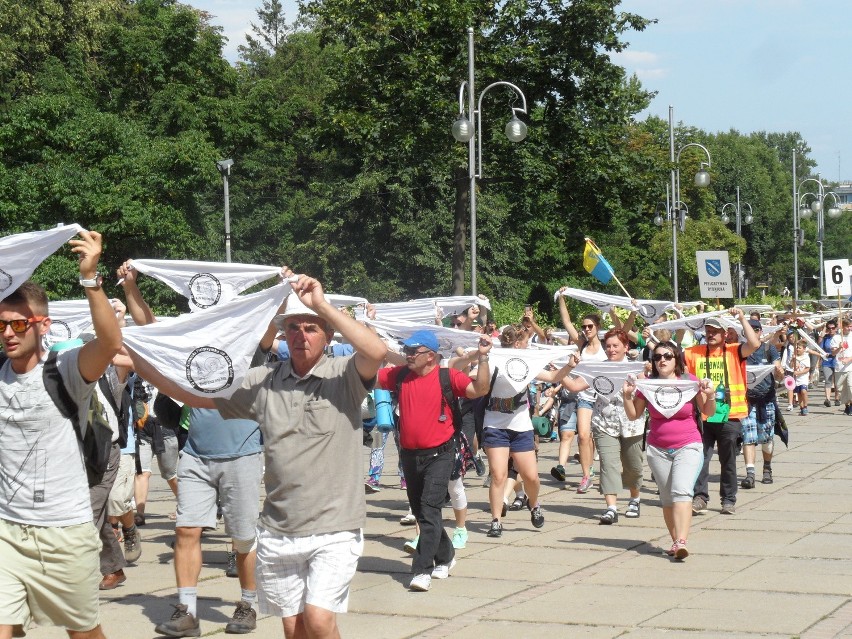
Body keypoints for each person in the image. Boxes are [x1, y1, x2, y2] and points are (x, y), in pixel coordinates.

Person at [129, 269, 386, 639]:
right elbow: (194, 395)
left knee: (318, 620)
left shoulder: (343, 374)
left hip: (335, 526)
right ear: (284, 334)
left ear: (328, 335)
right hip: (280, 529)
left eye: (311, 328)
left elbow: (376, 350)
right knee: (294, 627)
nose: (301, 335)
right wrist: (140, 359)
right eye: (293, 327)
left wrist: (321, 305)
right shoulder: (263, 380)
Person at [118, 261, 265, 637]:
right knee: (186, 532)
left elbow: (271, 322)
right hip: (196, 453)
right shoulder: (191, 345)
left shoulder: (249, 345)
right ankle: (187, 609)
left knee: (244, 536)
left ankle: (247, 603)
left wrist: (282, 288)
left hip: (242, 454)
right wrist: (131, 287)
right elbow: (149, 327)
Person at [0, 230, 122, 639]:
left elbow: (109, 343)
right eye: (1, 325)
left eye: (19, 323)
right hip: (6, 532)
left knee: (83, 633)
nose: (9, 333)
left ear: (42, 324)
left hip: (63, 533)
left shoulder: (64, 370)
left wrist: (90, 277)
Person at [376, 330, 491, 592]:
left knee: (429, 508)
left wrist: (483, 359)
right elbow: (369, 376)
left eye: (413, 352)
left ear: (431, 356)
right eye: (405, 350)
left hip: (440, 453)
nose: (407, 355)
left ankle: (421, 569)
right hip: (408, 454)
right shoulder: (401, 375)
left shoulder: (447, 376)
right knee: (421, 511)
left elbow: (480, 389)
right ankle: (447, 556)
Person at [623, 341, 714, 559]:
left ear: (677, 359)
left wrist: (710, 395)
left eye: (667, 356)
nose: (662, 360)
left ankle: (682, 540)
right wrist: (627, 396)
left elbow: (708, 411)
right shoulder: (648, 385)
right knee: (667, 499)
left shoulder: (690, 382)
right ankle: (675, 542)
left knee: (682, 491)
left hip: (688, 445)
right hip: (658, 449)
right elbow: (634, 415)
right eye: (657, 357)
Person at [564, 329, 644, 524]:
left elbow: (646, 394)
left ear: (626, 347)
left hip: (631, 425)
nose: (611, 349)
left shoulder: (637, 370)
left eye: (615, 345)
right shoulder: (597, 369)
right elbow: (574, 387)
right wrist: (562, 371)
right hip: (604, 424)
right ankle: (611, 507)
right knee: (608, 465)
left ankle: (635, 499)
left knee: (633, 467)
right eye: (608, 346)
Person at [685, 309, 760, 516]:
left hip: (731, 414)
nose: (711, 334)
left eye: (715, 331)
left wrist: (743, 318)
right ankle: (700, 497)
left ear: (725, 334)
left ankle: (728, 499)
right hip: (703, 415)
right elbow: (675, 359)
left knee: (728, 460)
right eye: (708, 330)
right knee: (701, 458)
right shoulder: (694, 352)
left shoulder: (734, 351)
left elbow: (754, 344)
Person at [557, 291, 606, 493]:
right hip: (585, 397)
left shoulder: (606, 345)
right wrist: (561, 297)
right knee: (583, 436)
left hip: (604, 398)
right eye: (584, 327)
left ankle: (609, 472)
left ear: (597, 327)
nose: (586, 330)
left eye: (590, 326)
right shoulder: (582, 344)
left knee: (602, 438)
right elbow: (566, 321)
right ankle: (587, 476)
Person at [741, 320, 783, 487]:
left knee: (766, 438)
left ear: (761, 331)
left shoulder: (768, 349)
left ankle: (767, 468)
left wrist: (779, 372)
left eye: (757, 329)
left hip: (767, 400)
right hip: (747, 401)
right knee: (748, 437)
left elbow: (779, 375)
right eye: (751, 330)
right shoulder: (742, 350)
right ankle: (750, 474)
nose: (754, 332)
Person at [819, 320, 842, 407]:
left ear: (836, 328)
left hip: (837, 361)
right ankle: (827, 399)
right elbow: (820, 348)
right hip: (827, 361)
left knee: (837, 382)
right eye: (829, 328)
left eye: (833, 328)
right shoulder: (825, 338)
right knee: (828, 380)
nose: (831, 330)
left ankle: (837, 398)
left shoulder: (840, 337)